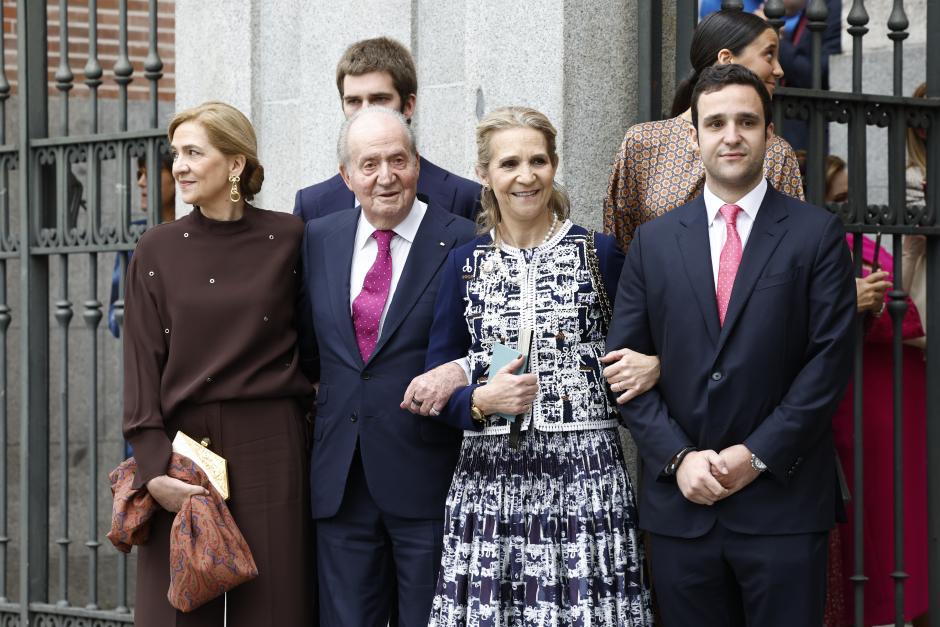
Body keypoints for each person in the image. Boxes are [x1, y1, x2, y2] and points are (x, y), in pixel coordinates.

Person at [606, 64, 856, 626]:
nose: (732, 135)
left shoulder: (816, 235)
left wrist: (756, 455)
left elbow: (829, 363)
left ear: (770, 132)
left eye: (747, 121)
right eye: (715, 123)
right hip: (682, 506)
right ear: (694, 137)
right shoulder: (654, 242)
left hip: (783, 506)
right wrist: (676, 458)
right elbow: (623, 370)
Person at [419, 106, 654, 626]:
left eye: (538, 161)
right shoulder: (464, 262)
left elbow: (643, 349)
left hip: (584, 476)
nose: (526, 176)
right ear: (485, 174)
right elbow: (442, 375)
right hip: (490, 481)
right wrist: (479, 401)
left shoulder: (600, 252)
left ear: (554, 165)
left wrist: (653, 366)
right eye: (509, 164)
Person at [122, 101, 314, 626]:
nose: (178, 166)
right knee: (181, 603)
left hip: (272, 438)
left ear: (234, 164)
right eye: (175, 154)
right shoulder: (156, 249)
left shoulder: (290, 237)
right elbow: (141, 363)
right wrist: (153, 465)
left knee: (276, 602)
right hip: (184, 449)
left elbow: (314, 347)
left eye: (192, 152)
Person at [296, 106, 476, 626]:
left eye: (398, 160)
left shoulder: (463, 239)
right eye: (369, 164)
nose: (385, 176)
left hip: (428, 475)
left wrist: (460, 370)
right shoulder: (317, 238)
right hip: (341, 482)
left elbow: (498, 344)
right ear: (346, 175)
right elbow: (309, 348)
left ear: (417, 164)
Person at [605, 8, 804, 254]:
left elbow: (794, 243)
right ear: (726, 58)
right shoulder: (643, 142)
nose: (779, 69)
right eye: (769, 55)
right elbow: (618, 243)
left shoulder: (775, 151)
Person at [293, 36, 481, 223]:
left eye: (379, 99)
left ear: (408, 105)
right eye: (354, 101)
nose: (366, 112)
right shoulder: (312, 205)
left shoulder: (464, 198)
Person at [108, 153, 176, 338]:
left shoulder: (202, 231)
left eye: (151, 173)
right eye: (140, 174)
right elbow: (115, 317)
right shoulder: (134, 235)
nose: (141, 182)